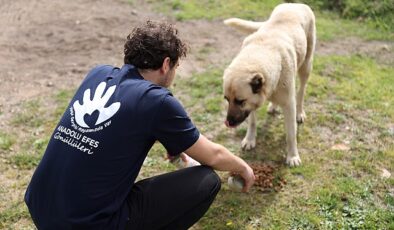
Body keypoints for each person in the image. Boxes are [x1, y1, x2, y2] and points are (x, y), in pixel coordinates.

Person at [24, 20, 255, 230]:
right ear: (166, 64)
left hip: (42, 208)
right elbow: (213, 156)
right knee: (206, 181)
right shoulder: (157, 100)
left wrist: (175, 147)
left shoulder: (98, 74)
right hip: (88, 224)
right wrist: (242, 167)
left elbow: (124, 123)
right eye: (175, 67)